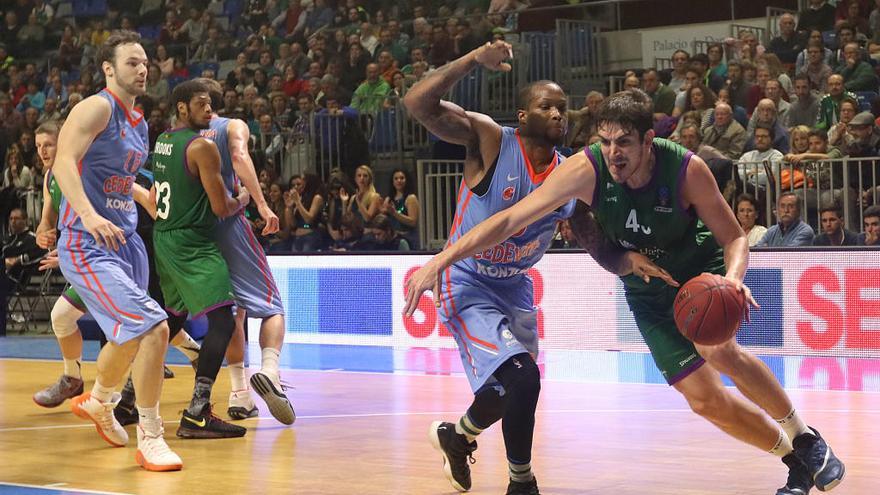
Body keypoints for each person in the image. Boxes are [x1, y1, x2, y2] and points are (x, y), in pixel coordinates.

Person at [405, 89, 846, 495]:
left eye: (624, 143)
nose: (613, 153)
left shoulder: (686, 169)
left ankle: (805, 436)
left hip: (698, 274)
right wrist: (441, 260)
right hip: (648, 290)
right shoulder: (586, 168)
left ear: (648, 141)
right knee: (705, 401)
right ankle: (795, 462)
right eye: (606, 140)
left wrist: (732, 279)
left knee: (717, 350)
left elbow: (735, 237)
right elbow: (507, 220)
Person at [402, 42, 664, 495]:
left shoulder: (569, 175)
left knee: (512, 390)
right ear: (524, 116)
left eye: (564, 108)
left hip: (516, 288)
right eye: (548, 106)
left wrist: (625, 262)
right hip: (467, 279)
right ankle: (521, 483)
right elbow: (417, 104)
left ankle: (457, 435)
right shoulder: (490, 139)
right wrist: (468, 62)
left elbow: (594, 242)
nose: (559, 114)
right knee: (523, 376)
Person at [52, 30, 181, 471]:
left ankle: (101, 401)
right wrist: (87, 214)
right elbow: (63, 162)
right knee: (154, 328)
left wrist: (142, 196)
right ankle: (151, 434)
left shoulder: (138, 122)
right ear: (109, 68)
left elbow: (118, 177)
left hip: (127, 242)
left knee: (127, 336)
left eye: (145, 62)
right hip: (88, 242)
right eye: (132, 62)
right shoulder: (96, 106)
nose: (142, 68)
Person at [31, 121, 201, 409]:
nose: (43, 151)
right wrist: (44, 231)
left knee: (140, 324)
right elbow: (48, 216)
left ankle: (121, 401)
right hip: (88, 254)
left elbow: (125, 184)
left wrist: (147, 200)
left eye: (48, 144)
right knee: (66, 317)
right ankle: (76, 380)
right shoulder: (51, 176)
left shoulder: (85, 166)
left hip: (117, 250)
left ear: (66, 141)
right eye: (38, 146)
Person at [151, 80, 250, 439]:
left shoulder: (163, 141)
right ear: (181, 107)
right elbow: (221, 207)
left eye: (211, 105)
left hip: (164, 237)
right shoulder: (203, 147)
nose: (210, 111)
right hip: (192, 241)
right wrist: (243, 199)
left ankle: (129, 399)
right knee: (223, 321)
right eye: (201, 104)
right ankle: (197, 412)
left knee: (174, 318)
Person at [197, 78, 295, 425]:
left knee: (229, 314)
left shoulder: (175, 135)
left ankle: (240, 394)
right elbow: (238, 156)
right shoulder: (230, 126)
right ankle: (269, 370)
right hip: (227, 226)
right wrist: (263, 204)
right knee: (272, 306)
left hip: (190, 234)